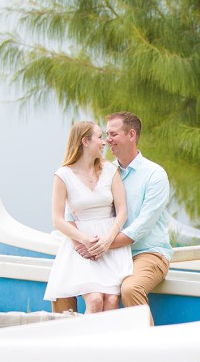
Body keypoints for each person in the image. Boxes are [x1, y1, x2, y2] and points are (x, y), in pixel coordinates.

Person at [53, 112, 172, 320]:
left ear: (131, 135)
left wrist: (103, 244)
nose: (107, 140)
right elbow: (72, 212)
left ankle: (147, 346)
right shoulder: (104, 170)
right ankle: (69, 344)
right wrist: (80, 242)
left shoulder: (154, 175)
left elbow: (141, 227)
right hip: (107, 251)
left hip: (146, 252)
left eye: (113, 134)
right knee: (64, 287)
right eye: (105, 135)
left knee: (130, 288)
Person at [43, 120, 133, 314]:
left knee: (110, 300)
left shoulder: (110, 170)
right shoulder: (63, 175)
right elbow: (57, 220)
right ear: (85, 141)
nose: (104, 142)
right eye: (100, 137)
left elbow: (122, 210)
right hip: (83, 246)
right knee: (94, 300)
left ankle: (107, 344)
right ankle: (85, 343)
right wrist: (85, 240)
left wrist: (108, 239)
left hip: (110, 243)